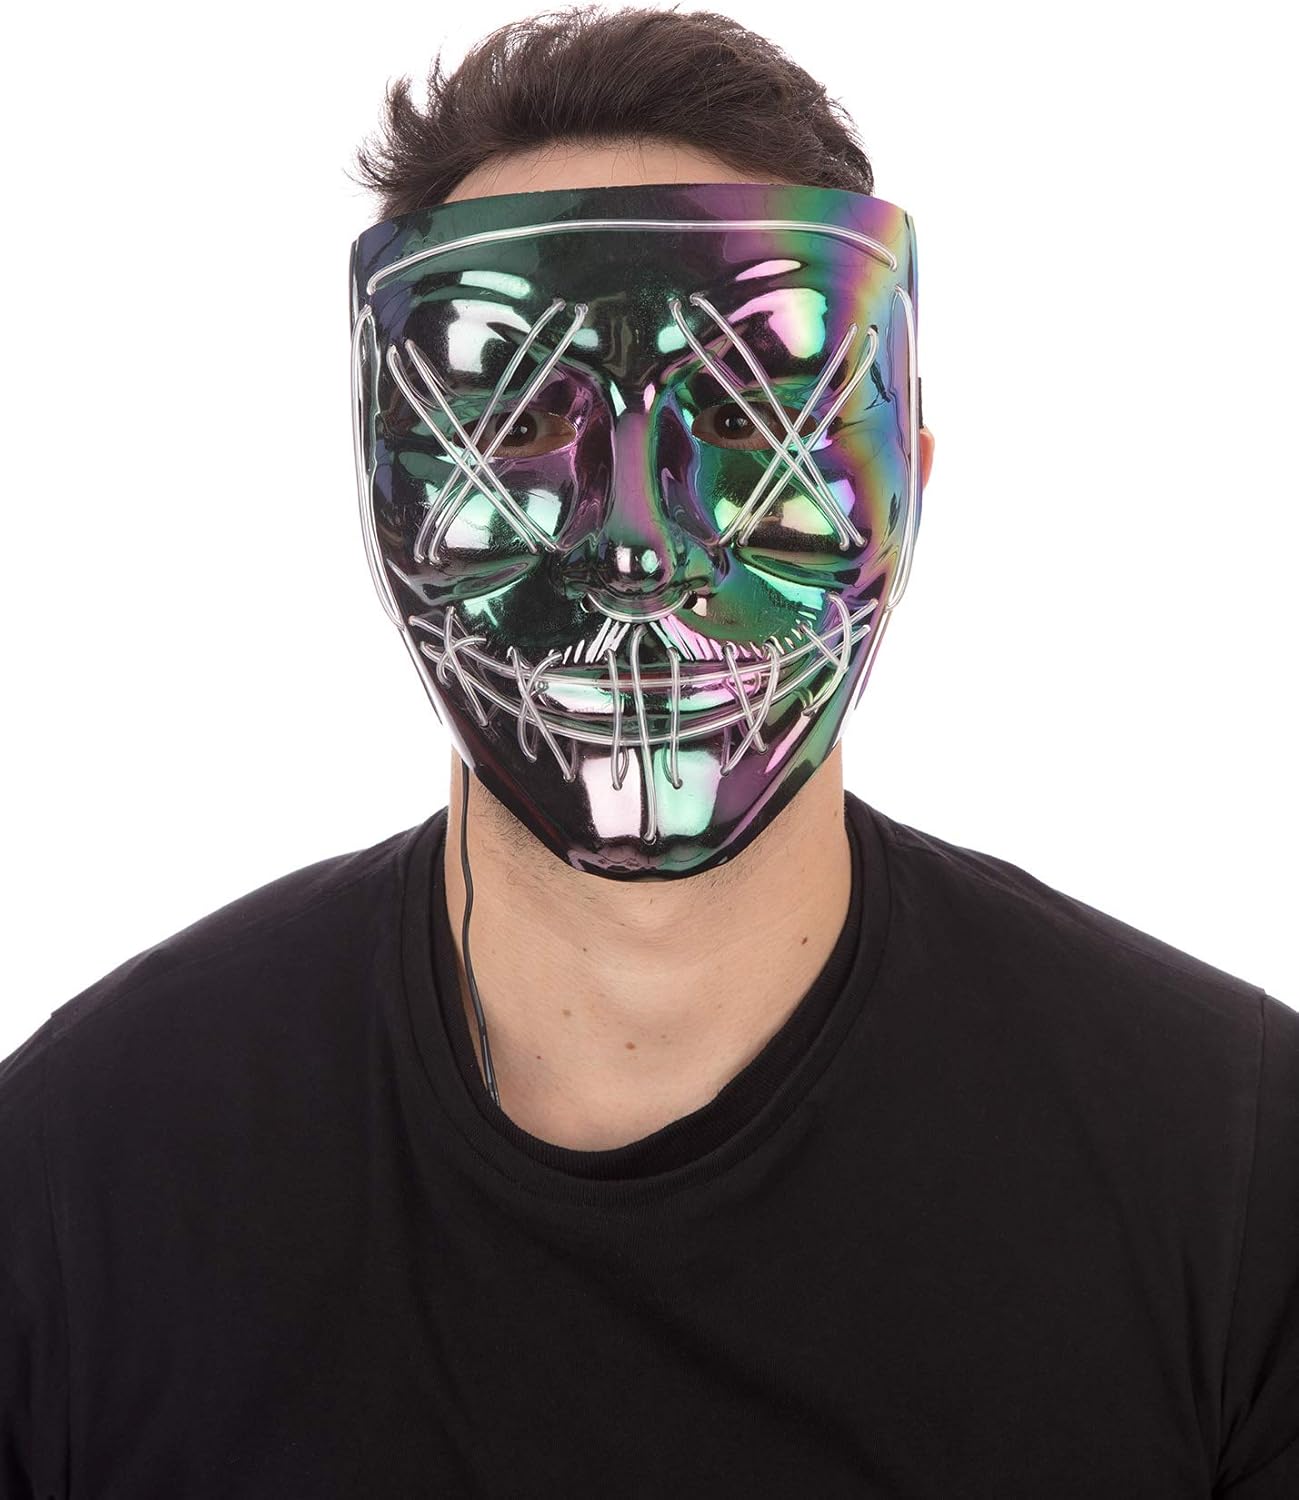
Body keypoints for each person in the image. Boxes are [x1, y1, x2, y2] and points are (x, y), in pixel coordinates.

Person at [2, 8, 1294, 1497]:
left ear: (912, 477)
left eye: (743, 415)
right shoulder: (82, 1186)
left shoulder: (1237, 1181)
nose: (636, 551)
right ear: (377, 484)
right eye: (517, 420)